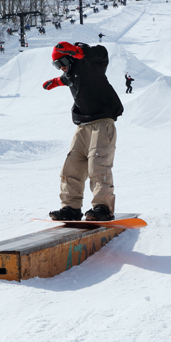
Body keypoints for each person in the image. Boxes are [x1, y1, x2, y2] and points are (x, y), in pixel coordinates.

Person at [42, 41, 124, 221]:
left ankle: (102, 207)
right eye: (57, 65)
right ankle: (71, 208)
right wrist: (54, 82)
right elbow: (65, 79)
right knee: (72, 166)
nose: (61, 67)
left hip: (102, 122)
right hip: (83, 126)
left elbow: (101, 54)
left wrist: (78, 51)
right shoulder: (71, 73)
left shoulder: (90, 64)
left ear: (71, 56)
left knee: (98, 165)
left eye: (62, 62)